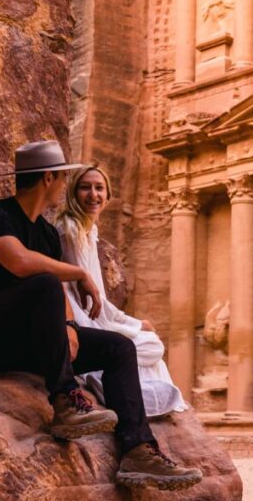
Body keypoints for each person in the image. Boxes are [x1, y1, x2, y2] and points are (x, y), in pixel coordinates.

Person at [0, 139, 201, 490]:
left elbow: (58, 296)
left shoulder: (47, 234)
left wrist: (67, 326)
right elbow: (20, 263)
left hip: (22, 343)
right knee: (46, 283)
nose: (64, 187)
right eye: (64, 178)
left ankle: (138, 450)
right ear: (49, 178)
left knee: (118, 347)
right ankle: (67, 400)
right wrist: (78, 274)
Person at [55, 164, 186, 419]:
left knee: (151, 345)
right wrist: (132, 325)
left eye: (99, 188)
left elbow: (98, 297)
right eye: (85, 187)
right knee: (149, 345)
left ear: (108, 196)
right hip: (82, 319)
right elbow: (91, 302)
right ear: (72, 192)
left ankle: (122, 385)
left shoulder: (87, 231)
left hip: (91, 316)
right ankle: (103, 381)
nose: (93, 194)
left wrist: (132, 322)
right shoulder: (69, 230)